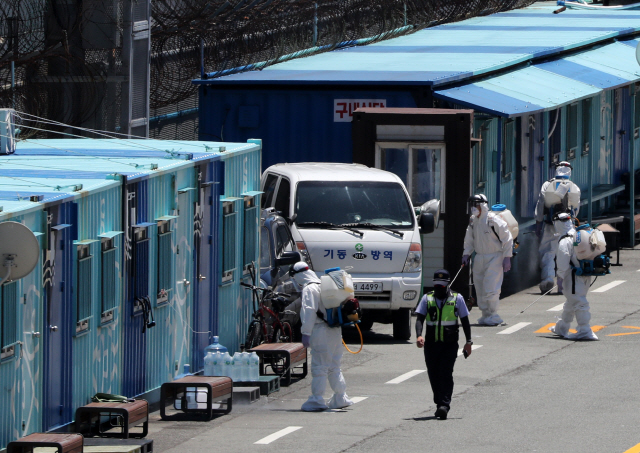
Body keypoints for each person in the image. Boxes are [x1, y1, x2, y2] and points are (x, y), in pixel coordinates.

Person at [291, 261, 353, 411]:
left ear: (299, 276)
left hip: (320, 331)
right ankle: (340, 397)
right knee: (334, 366)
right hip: (335, 330)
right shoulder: (324, 285)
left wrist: (305, 333)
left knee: (319, 367)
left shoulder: (309, 289)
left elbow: (308, 311)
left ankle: (317, 399)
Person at [415, 269, 473, 420]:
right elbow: (419, 318)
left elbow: (465, 321)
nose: (438, 288)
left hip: (449, 344)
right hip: (431, 345)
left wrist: (468, 342)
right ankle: (439, 403)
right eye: (436, 285)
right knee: (433, 374)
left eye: (441, 286)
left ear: (447, 285)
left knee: (445, 373)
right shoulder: (427, 299)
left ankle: (444, 405)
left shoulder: (457, 298)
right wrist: (419, 335)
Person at [462, 194, 513, 326]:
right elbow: (469, 239)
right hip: (479, 257)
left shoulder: (493, 220)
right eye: (472, 205)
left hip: (495, 257)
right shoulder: (473, 221)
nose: (474, 208)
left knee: (491, 287)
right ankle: (485, 314)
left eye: (476, 205)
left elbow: (507, 238)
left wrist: (507, 257)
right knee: (479, 287)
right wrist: (466, 253)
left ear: (483, 205)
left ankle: (493, 314)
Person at [549, 213, 599, 340]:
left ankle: (585, 330)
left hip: (572, 276)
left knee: (578, 301)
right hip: (583, 273)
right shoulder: (579, 235)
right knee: (572, 301)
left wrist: (560, 277)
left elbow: (562, 261)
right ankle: (562, 327)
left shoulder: (565, 240)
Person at [534, 162, 580, 294]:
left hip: (549, 223)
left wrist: (538, 222)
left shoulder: (547, 185)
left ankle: (547, 279)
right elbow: (576, 207)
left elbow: (541, 203)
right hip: (566, 224)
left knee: (548, 251)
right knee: (566, 251)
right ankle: (563, 283)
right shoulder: (574, 187)